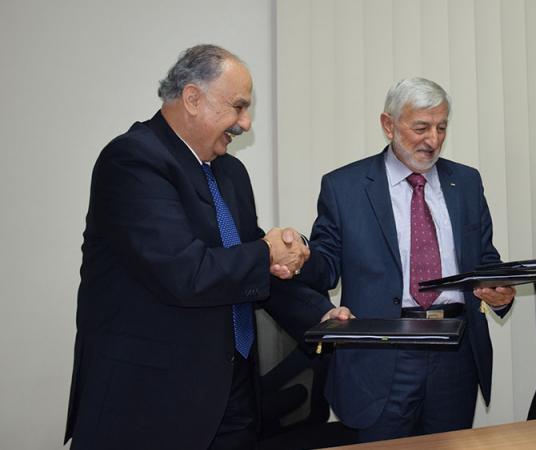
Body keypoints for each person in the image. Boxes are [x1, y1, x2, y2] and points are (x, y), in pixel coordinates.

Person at [64, 44, 350, 450]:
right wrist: (269, 252)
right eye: (238, 107)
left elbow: (248, 266)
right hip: (149, 403)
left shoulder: (230, 172)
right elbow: (186, 273)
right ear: (193, 98)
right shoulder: (132, 161)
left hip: (231, 393)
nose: (246, 123)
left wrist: (322, 315)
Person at [295, 77, 515, 442]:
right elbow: (326, 265)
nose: (433, 140)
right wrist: (300, 254)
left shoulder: (467, 182)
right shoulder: (345, 187)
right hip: (381, 356)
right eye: (421, 128)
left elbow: (485, 258)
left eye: (441, 127)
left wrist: (499, 289)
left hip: (455, 352)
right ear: (388, 125)